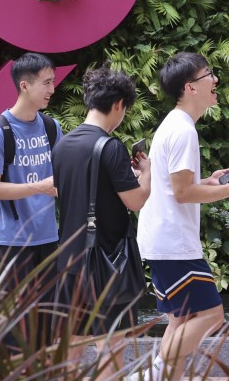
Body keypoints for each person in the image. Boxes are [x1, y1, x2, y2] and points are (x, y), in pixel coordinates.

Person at [133, 52, 229, 381]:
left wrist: (208, 183)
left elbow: (180, 186)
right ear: (191, 87)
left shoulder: (177, 125)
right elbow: (182, 193)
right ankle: (146, 375)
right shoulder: (182, 130)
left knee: (181, 320)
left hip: (164, 239)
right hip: (173, 243)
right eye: (209, 75)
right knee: (211, 315)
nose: (216, 80)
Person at [53, 66, 150, 375]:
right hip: (106, 263)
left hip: (69, 259)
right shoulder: (110, 147)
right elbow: (136, 201)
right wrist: (145, 175)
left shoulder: (62, 146)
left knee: (74, 343)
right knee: (110, 345)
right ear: (119, 104)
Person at [0, 52, 62, 346]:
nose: (52, 89)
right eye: (46, 83)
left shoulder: (52, 127)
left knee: (44, 325)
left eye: (53, 82)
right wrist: (39, 187)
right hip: (11, 240)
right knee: (13, 327)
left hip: (47, 236)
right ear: (24, 85)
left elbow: (61, 177)